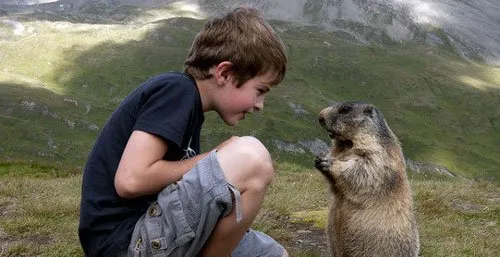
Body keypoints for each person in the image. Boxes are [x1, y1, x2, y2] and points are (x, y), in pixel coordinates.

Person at [78, 6, 288, 257]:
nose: (259, 105)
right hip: (127, 242)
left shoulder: (191, 111)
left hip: (155, 230)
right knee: (251, 156)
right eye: (260, 90)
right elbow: (130, 180)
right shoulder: (177, 91)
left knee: (270, 253)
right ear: (224, 73)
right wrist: (213, 159)